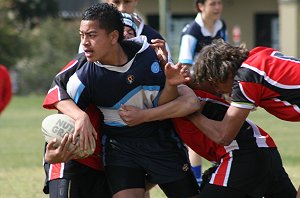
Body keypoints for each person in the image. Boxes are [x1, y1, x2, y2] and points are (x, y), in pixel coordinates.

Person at [45, 3, 200, 198]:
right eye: (81, 35)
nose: (84, 42)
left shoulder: (148, 55)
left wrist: (170, 84)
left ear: (113, 37)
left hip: (161, 143)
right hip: (119, 148)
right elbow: (61, 111)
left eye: (91, 35)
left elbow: (164, 101)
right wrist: (79, 118)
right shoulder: (84, 77)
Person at [118, 89, 297, 198]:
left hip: (241, 154)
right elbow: (164, 163)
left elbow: (191, 104)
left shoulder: (187, 95)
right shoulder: (167, 117)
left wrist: (142, 116)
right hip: (266, 149)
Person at [191, 38, 300, 146]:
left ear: (223, 72)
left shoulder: (246, 79)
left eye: (214, 84)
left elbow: (223, 136)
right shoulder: (258, 53)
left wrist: (192, 114)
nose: (217, 90)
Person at [178, 0, 227, 185]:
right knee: (197, 140)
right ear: (200, 6)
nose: (217, 7)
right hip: (197, 91)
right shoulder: (192, 31)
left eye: (219, 3)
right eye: (213, 3)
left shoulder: (221, 26)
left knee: (221, 134)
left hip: (218, 90)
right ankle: (197, 181)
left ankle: (221, 173)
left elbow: (224, 58)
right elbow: (184, 66)